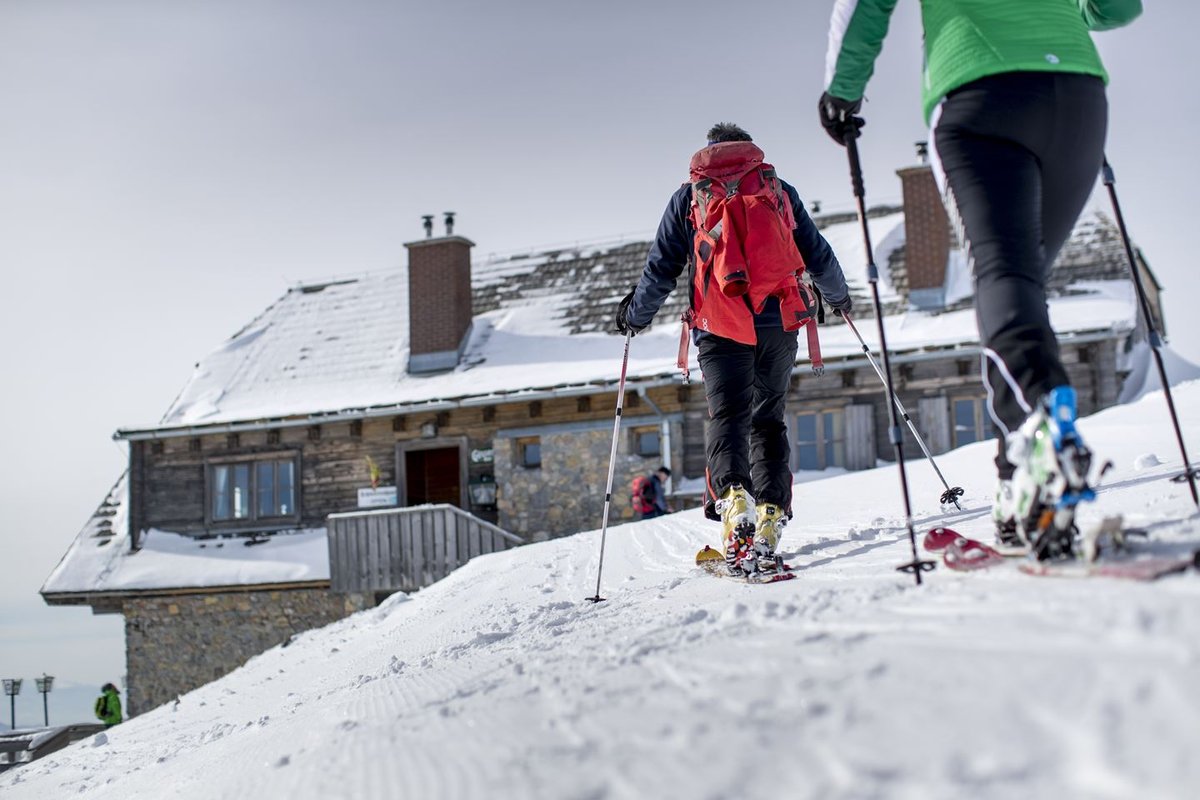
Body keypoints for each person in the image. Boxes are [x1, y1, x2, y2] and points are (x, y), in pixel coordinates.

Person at [818, 0, 1142, 560]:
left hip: (979, 93)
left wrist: (842, 91)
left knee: (1005, 274)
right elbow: (1118, 6)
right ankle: (1016, 482)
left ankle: (1041, 423)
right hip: (1078, 92)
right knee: (1021, 285)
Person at [617, 122, 852, 574]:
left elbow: (661, 269)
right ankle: (769, 512)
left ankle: (733, 498)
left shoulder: (690, 196)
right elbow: (817, 253)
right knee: (768, 421)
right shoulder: (776, 188)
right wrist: (839, 298)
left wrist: (635, 317)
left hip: (720, 324)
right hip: (779, 321)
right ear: (748, 147)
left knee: (728, 418)